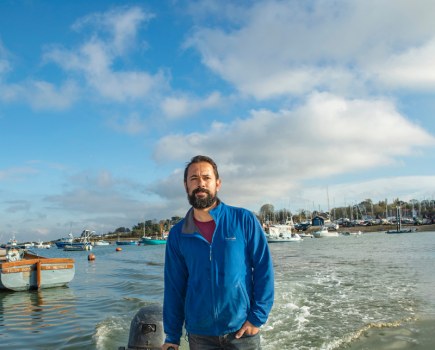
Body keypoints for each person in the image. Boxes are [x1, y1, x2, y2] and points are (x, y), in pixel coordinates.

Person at [162, 155, 274, 350]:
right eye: (194, 179)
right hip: (200, 335)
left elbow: (264, 270)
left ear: (218, 184)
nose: (200, 184)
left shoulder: (244, 220)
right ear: (186, 186)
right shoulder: (177, 234)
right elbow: (174, 287)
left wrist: (257, 318)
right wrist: (172, 336)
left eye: (206, 178)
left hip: (242, 332)